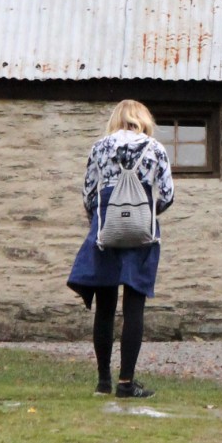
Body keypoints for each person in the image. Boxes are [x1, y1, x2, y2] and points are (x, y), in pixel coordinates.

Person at [67, 100, 174, 397]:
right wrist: (143, 213)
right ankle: (126, 383)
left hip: (106, 230)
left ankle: (103, 381)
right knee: (134, 307)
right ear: (143, 119)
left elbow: (88, 193)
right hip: (142, 234)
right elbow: (166, 195)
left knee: (105, 306)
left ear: (117, 118)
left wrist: (101, 218)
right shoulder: (156, 149)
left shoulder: (100, 147)